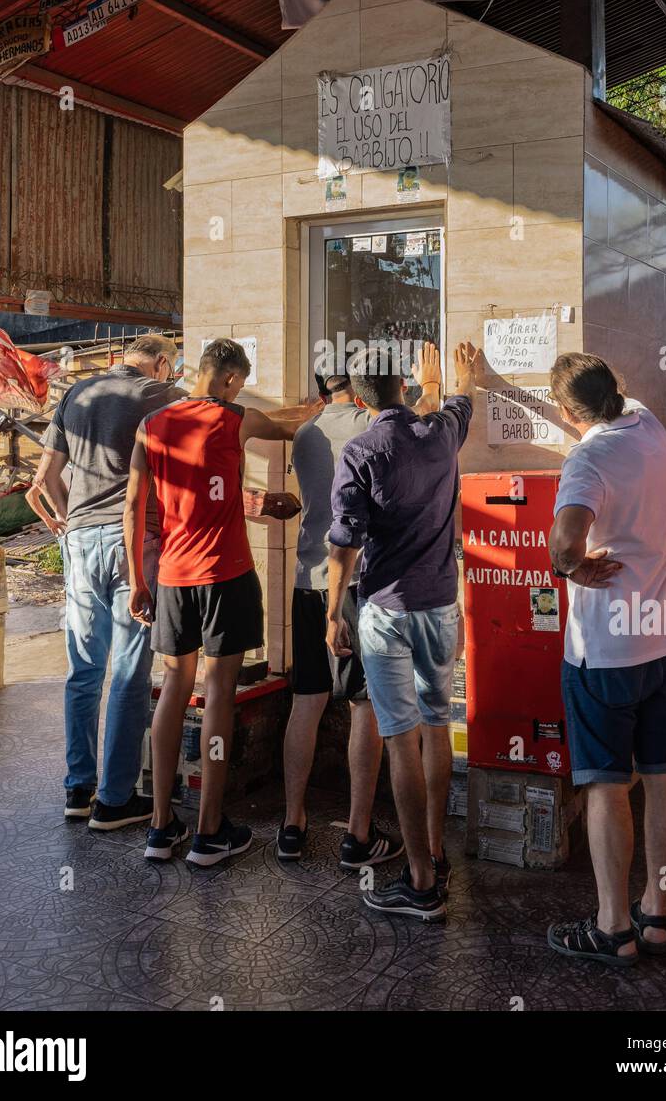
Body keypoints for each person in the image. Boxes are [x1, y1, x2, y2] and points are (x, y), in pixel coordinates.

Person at [124, 337, 316, 866]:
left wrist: (139, 577)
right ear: (230, 379)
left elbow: (134, 506)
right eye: (240, 381)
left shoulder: (152, 424)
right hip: (226, 578)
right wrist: (325, 408)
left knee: (172, 692)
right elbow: (286, 426)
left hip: (170, 578)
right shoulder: (234, 419)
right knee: (219, 698)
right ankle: (209, 831)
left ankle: (162, 828)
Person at [325, 341, 479, 922]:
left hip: (386, 611)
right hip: (441, 605)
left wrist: (333, 609)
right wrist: (449, 379)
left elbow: (344, 544)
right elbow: (462, 401)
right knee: (437, 726)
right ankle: (436, 852)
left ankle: (419, 884)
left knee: (400, 738)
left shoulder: (361, 450)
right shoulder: (440, 433)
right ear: (404, 388)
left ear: (361, 400)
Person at [545, 353, 666, 967]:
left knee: (605, 784)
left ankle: (612, 927)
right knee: (663, 774)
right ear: (617, 392)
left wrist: (570, 565)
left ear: (565, 412)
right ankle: (655, 915)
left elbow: (564, 541)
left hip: (606, 651)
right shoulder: (651, 429)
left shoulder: (586, 461)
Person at [28, 334, 182, 829]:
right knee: (130, 670)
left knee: (84, 667)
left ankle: (78, 788)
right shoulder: (160, 395)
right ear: (160, 363)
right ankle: (116, 800)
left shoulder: (75, 394)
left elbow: (47, 477)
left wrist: (63, 520)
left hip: (79, 541)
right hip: (132, 541)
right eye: (169, 368)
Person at [279, 371, 402, 869]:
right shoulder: (371, 426)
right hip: (353, 583)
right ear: (358, 391)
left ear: (319, 391)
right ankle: (356, 833)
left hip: (306, 580)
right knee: (362, 706)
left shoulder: (306, 432)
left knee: (305, 702)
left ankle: (291, 823)